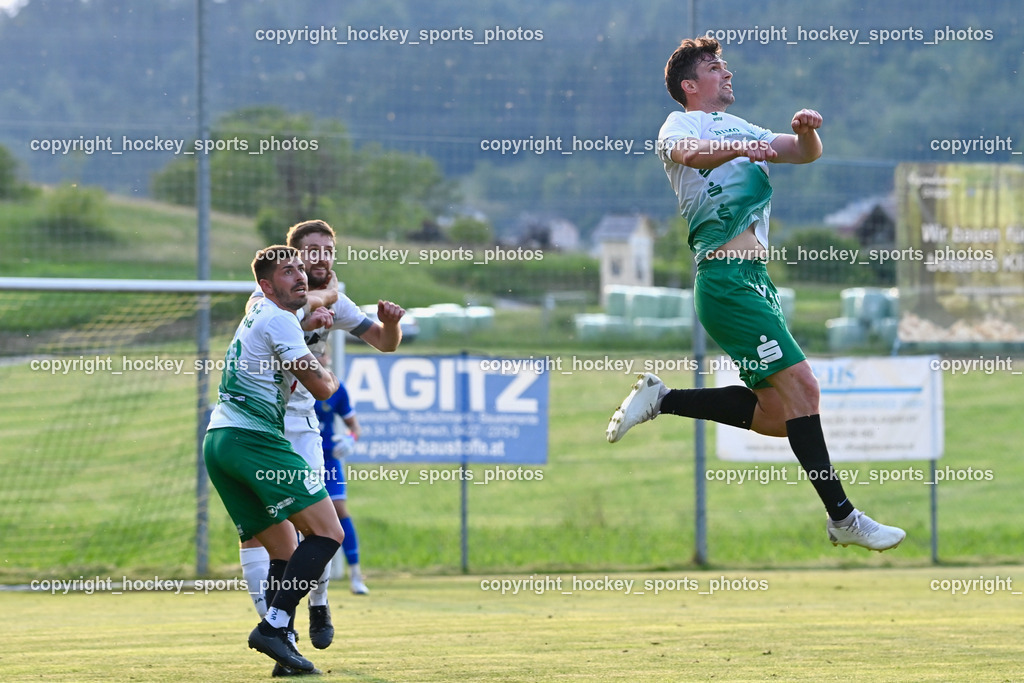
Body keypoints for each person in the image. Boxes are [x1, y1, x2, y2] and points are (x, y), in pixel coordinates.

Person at [606, 37, 905, 552]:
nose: (727, 72)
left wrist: (805, 132)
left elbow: (802, 154)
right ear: (689, 85)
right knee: (805, 389)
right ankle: (843, 517)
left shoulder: (746, 128)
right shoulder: (682, 125)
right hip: (725, 282)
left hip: (754, 283)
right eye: (714, 67)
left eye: (725, 65)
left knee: (778, 415)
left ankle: (664, 398)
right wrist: (741, 149)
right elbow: (691, 156)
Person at [237, 220, 403, 670]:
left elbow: (383, 343)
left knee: (319, 524)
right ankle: (280, 632)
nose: (322, 257)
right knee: (264, 534)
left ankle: (318, 603)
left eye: (328, 249)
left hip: (302, 428)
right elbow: (316, 299)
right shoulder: (268, 298)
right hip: (259, 426)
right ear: (292, 260)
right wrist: (327, 298)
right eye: (311, 250)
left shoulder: (332, 298)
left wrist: (390, 326)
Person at [203, 245, 344, 674]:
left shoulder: (261, 311)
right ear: (266, 285)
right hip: (254, 440)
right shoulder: (280, 318)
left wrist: (313, 314)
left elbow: (313, 303)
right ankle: (274, 626)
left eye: (302, 268)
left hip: (218, 441)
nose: (300, 276)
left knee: (284, 551)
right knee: (327, 533)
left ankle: (283, 650)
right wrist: (328, 371)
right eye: (288, 271)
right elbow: (321, 387)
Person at [315, 382, 370, 595]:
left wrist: (350, 439)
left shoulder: (335, 387)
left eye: (323, 351)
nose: (319, 356)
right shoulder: (293, 382)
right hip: (298, 456)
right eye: (314, 351)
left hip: (328, 458)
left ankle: (356, 574)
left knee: (338, 509)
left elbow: (355, 427)